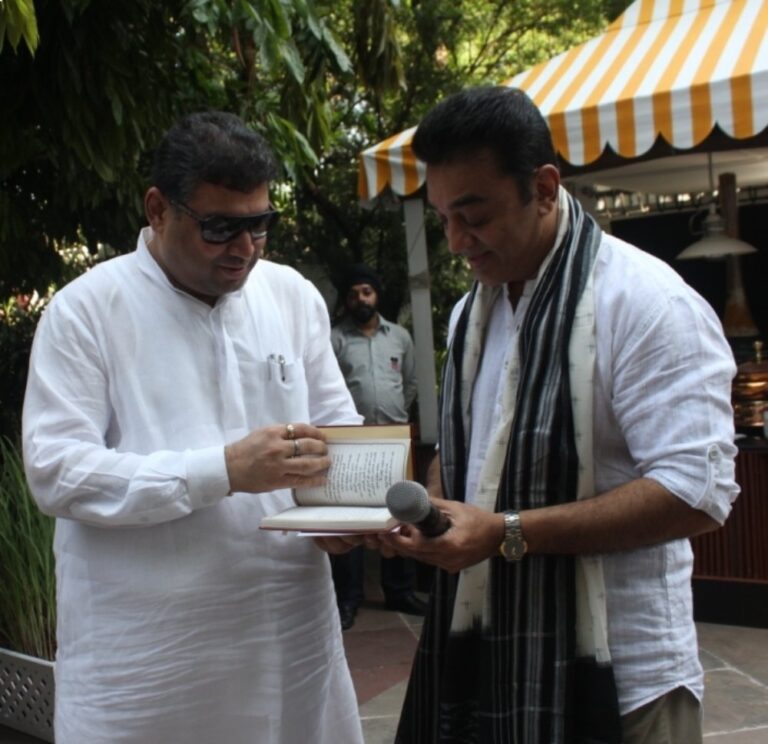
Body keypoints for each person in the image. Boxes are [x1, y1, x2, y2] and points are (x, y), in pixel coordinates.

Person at [373, 86, 740, 743]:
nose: (457, 241)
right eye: (443, 218)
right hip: (490, 664)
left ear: (543, 188)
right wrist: (432, 508)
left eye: (474, 214)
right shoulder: (472, 315)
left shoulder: (647, 303)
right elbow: (470, 451)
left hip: (625, 678)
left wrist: (508, 531)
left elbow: (697, 491)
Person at [22, 111, 365, 744]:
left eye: (259, 225)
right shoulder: (85, 313)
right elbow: (57, 472)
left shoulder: (289, 295)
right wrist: (222, 470)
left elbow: (335, 428)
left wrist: (345, 514)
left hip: (291, 639)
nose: (244, 249)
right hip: (151, 666)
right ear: (158, 209)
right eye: (219, 228)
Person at [329, 264, 426, 629]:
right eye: (353, 294)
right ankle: (348, 599)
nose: (360, 299)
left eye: (366, 292)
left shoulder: (399, 337)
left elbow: (412, 382)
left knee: (399, 516)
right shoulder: (336, 339)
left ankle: (399, 591)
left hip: (395, 439)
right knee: (351, 520)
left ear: (377, 295)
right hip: (352, 442)